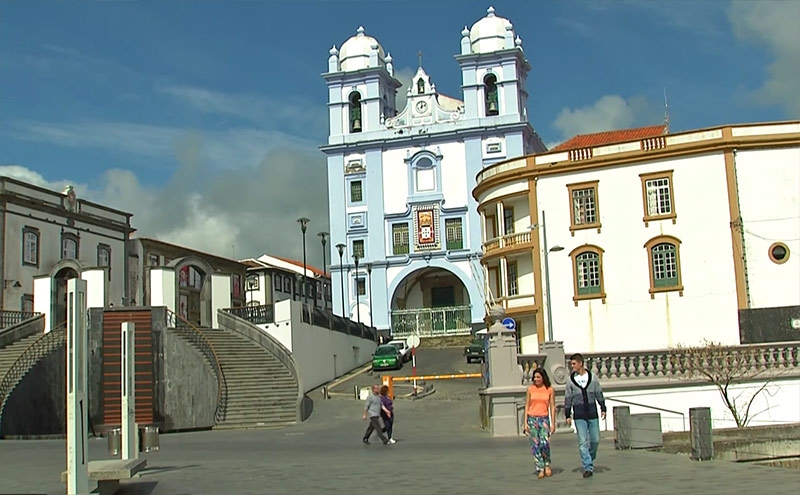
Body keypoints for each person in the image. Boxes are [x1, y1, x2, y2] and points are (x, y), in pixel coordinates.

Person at [564, 353, 607, 478]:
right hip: (579, 415)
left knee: (595, 440)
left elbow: (598, 393)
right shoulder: (570, 381)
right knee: (583, 442)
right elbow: (568, 398)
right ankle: (588, 467)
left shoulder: (592, 378)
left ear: (580, 363)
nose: (572, 366)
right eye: (571, 364)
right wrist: (568, 414)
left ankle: (589, 457)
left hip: (592, 413)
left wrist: (603, 407)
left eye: (574, 364)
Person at [523, 368, 556, 478]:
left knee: (544, 443)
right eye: (535, 377)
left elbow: (552, 406)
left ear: (543, 378)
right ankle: (540, 468)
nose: (536, 379)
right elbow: (527, 405)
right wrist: (525, 423)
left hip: (544, 418)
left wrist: (553, 423)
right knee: (535, 445)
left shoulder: (549, 389)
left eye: (538, 377)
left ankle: (547, 464)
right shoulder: (530, 389)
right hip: (532, 419)